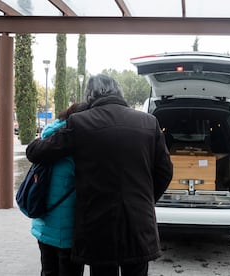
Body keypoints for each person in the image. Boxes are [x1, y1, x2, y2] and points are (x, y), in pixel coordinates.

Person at [26, 74, 173, 276]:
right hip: (139, 222)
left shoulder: (80, 122)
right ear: (119, 93)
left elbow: (36, 153)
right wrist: (146, 199)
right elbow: (165, 171)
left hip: (98, 225)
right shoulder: (149, 122)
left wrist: (41, 136)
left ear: (90, 96)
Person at [31, 102, 87, 276]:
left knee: (48, 271)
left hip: (43, 225)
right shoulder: (75, 146)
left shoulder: (47, 138)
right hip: (68, 231)